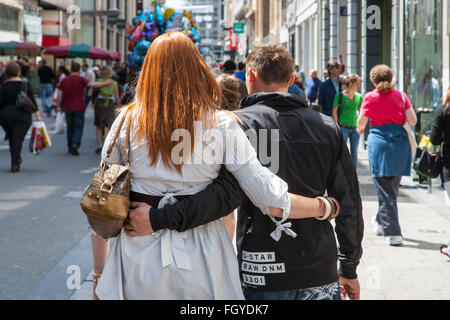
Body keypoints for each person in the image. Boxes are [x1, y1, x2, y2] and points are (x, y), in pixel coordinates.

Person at [90, 32, 336, 300]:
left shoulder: (125, 122)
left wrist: (100, 275)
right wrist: (324, 206)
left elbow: (102, 197)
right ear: (197, 69)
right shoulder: (220, 124)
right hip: (204, 256)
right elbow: (269, 197)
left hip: (136, 258)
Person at [357, 64, 417, 246]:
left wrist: (360, 128)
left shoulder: (370, 97)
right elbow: (413, 120)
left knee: (385, 190)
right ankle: (381, 220)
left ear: (373, 80)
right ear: (390, 77)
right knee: (391, 189)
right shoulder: (400, 96)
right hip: (400, 145)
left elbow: (361, 122)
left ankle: (393, 233)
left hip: (380, 144)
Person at [56, 62, 113, 156]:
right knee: (78, 126)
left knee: (70, 127)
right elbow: (93, 85)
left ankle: (70, 146)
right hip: (79, 106)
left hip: (68, 107)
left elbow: (59, 94)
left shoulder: (64, 80)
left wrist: (58, 105)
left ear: (71, 70)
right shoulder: (81, 79)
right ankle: (76, 143)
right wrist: (106, 83)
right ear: (79, 70)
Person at [0, 62, 42, 172]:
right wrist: (38, 116)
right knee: (17, 138)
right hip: (23, 116)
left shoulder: (3, 86)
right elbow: (33, 102)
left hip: (6, 116)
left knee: (13, 137)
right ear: (19, 72)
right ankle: (15, 161)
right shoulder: (25, 85)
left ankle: (15, 159)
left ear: (6, 73)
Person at [332, 74, 362, 167]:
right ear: (351, 83)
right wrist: (336, 125)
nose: (359, 86)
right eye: (357, 84)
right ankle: (341, 174)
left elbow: (361, 111)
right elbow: (334, 110)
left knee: (354, 153)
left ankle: (353, 177)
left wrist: (360, 124)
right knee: (341, 152)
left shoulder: (359, 97)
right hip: (343, 127)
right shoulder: (340, 96)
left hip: (355, 128)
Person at [92, 65, 120, 154]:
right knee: (108, 125)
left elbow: (93, 94)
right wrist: (119, 105)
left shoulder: (98, 81)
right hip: (110, 103)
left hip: (99, 102)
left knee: (99, 125)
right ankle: (106, 146)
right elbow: (116, 96)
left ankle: (99, 145)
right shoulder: (114, 83)